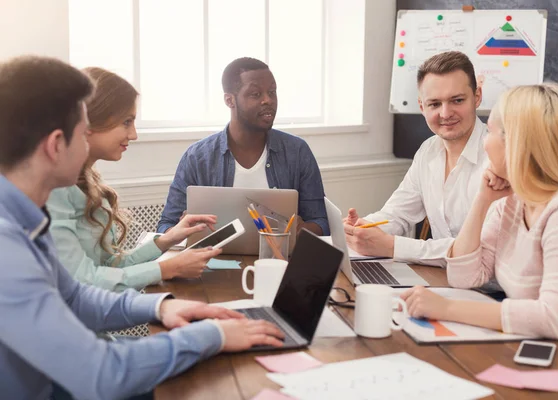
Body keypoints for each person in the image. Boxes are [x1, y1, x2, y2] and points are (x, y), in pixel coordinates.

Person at [0, 55, 284, 400]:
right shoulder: (7, 249)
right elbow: (102, 375)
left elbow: (74, 296)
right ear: (56, 144)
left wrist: (161, 307)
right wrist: (214, 335)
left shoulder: (28, 217)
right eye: (82, 130)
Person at [400, 83, 558, 359]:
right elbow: (465, 277)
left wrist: (445, 308)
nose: (484, 140)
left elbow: (554, 317)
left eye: (491, 131)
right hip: (532, 346)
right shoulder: (510, 201)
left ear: (516, 143)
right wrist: (482, 201)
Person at [46, 67, 221, 292]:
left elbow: (110, 265)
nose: (134, 135)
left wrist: (167, 239)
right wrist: (167, 269)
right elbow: (81, 280)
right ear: (89, 122)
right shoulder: (55, 189)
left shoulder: (87, 181)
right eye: (127, 122)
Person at [344, 51, 488, 267]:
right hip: (445, 278)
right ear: (422, 106)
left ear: (477, 96)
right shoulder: (428, 151)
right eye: (435, 104)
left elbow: (480, 249)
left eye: (457, 100)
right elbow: (398, 214)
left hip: (491, 289)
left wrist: (392, 246)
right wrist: (363, 228)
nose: (446, 113)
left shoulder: (500, 158)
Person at [157, 57, 329, 236]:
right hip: (214, 261)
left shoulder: (297, 152)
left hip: (281, 260)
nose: (268, 100)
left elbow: (321, 221)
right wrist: (183, 229)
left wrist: (301, 231)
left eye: (272, 92)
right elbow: (166, 225)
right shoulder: (197, 157)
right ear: (230, 100)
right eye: (256, 94)